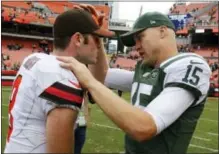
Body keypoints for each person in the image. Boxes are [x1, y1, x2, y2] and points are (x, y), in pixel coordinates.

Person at [57, 11, 211, 154]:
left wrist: (90, 81)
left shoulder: (188, 65)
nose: (136, 46)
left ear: (162, 31)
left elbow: (144, 127)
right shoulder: (147, 69)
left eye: (140, 37)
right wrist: (98, 38)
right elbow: (102, 76)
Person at [4, 5, 114, 153]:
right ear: (78, 39)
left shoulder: (35, 60)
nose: (100, 46)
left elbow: (96, 83)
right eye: (96, 39)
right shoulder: (61, 77)